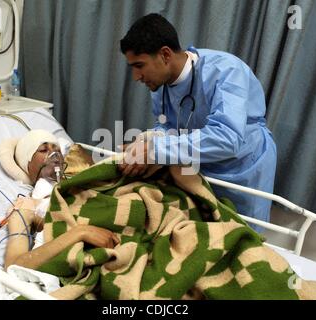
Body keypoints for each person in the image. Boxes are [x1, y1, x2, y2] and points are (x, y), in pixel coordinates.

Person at [118, 13, 277, 227]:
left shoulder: (226, 71)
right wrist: (150, 139)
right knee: (203, 230)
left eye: (139, 65)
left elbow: (227, 138)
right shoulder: (160, 83)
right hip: (199, 164)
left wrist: (156, 151)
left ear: (165, 55)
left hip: (243, 166)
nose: (136, 77)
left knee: (242, 235)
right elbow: (166, 123)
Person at [0, 129, 118, 298]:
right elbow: (13, 267)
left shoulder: (84, 184)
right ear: (28, 164)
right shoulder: (26, 207)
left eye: (57, 149)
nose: (54, 154)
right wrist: (80, 232)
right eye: (43, 150)